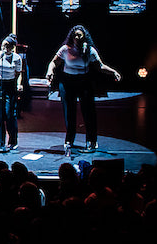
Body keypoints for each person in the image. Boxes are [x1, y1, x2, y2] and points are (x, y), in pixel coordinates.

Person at [46, 25, 121, 153]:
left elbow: (100, 66)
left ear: (84, 37)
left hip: (83, 81)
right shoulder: (66, 49)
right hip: (67, 81)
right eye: (75, 35)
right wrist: (50, 71)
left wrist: (113, 72)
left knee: (88, 111)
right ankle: (69, 139)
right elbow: (54, 62)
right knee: (69, 112)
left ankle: (91, 140)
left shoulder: (89, 50)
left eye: (79, 35)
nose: (77, 38)